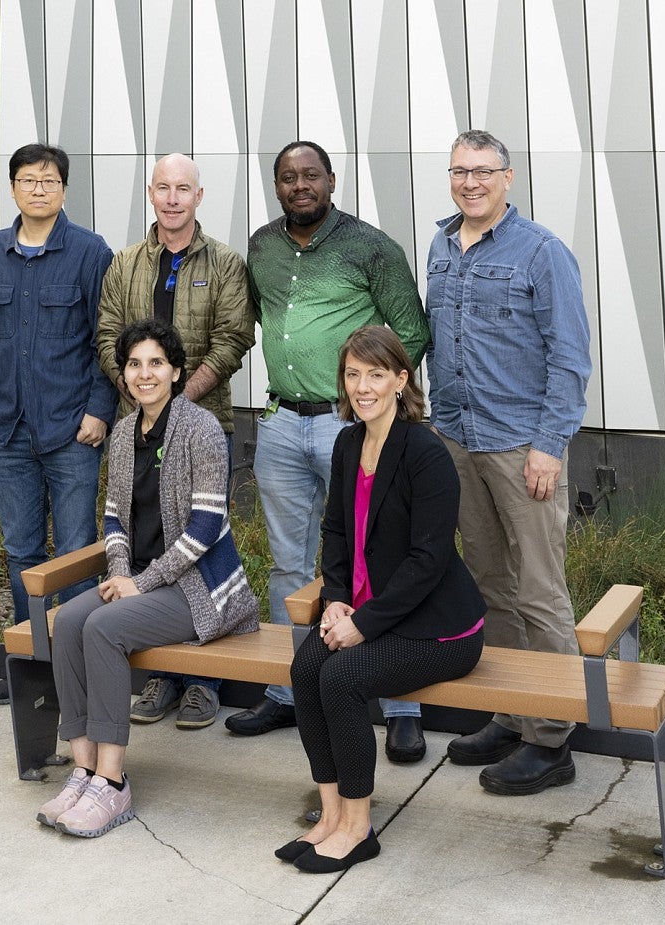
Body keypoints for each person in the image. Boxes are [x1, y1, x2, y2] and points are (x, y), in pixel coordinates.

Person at [230, 141, 431, 763]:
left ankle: (400, 705)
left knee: (382, 560)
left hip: (353, 425)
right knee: (290, 565)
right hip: (284, 423)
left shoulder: (372, 248)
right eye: (287, 177)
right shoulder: (260, 246)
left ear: (331, 180)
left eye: (310, 175)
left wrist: (372, 403)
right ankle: (290, 692)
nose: (299, 186)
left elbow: (412, 333)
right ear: (276, 186)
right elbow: (264, 320)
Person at [39, 318, 259, 837]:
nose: (144, 374)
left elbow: (207, 526)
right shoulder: (122, 433)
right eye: (134, 364)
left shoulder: (201, 428)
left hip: (199, 588)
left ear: (177, 371)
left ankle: (112, 785)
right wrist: (120, 573)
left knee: (103, 627)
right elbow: (113, 516)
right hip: (140, 582)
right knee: (69, 620)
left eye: (156, 363)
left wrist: (143, 581)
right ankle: (84, 769)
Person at [280, 325, 485, 872]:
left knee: (341, 679)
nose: (362, 386)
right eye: (353, 375)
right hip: (368, 613)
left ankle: (358, 827)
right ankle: (329, 816)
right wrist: (336, 601)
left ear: (401, 379)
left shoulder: (425, 451)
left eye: (375, 374)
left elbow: (429, 559)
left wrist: (364, 624)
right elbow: (337, 532)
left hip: (439, 629)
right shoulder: (349, 442)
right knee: (306, 670)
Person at [427, 130, 592, 796]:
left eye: (483, 171)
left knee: (540, 593)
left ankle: (552, 739)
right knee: (491, 584)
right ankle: (511, 713)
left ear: (508, 177)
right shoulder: (440, 246)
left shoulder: (542, 253)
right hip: (459, 442)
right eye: (459, 171)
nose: (470, 182)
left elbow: (571, 357)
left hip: (521, 447)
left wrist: (550, 445)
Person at [95, 153, 254, 731]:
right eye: (162, 188)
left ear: (199, 195)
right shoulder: (126, 263)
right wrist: (142, 394)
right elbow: (109, 333)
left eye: (182, 188)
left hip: (202, 423)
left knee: (198, 542)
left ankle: (203, 681)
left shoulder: (227, 264)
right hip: (136, 425)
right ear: (151, 192)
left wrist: (177, 400)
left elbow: (234, 336)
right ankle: (161, 671)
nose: (171, 198)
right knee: (144, 533)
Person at [0, 142, 115, 705]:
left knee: (77, 551)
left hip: (71, 430)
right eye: (29, 180)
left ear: (63, 189)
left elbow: (107, 338)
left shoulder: (89, 251)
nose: (39, 188)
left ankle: (75, 667)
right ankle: (32, 658)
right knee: (22, 549)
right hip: (7, 428)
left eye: (49, 180)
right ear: (13, 188)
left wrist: (99, 410)